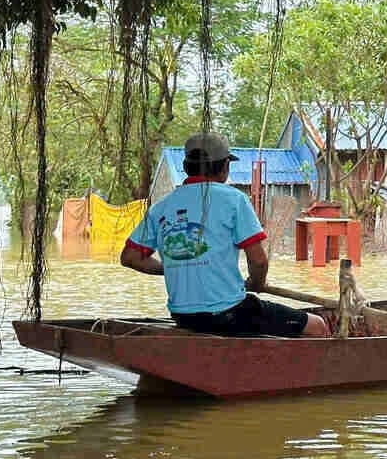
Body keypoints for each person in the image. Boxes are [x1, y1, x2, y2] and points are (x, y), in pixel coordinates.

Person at [120, 131, 329, 338]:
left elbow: (130, 258)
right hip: (230, 313)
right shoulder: (234, 200)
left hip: (183, 316)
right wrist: (257, 283)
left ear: (185, 168)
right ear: (225, 168)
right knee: (317, 326)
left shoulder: (160, 208)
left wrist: (175, 266)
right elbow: (258, 261)